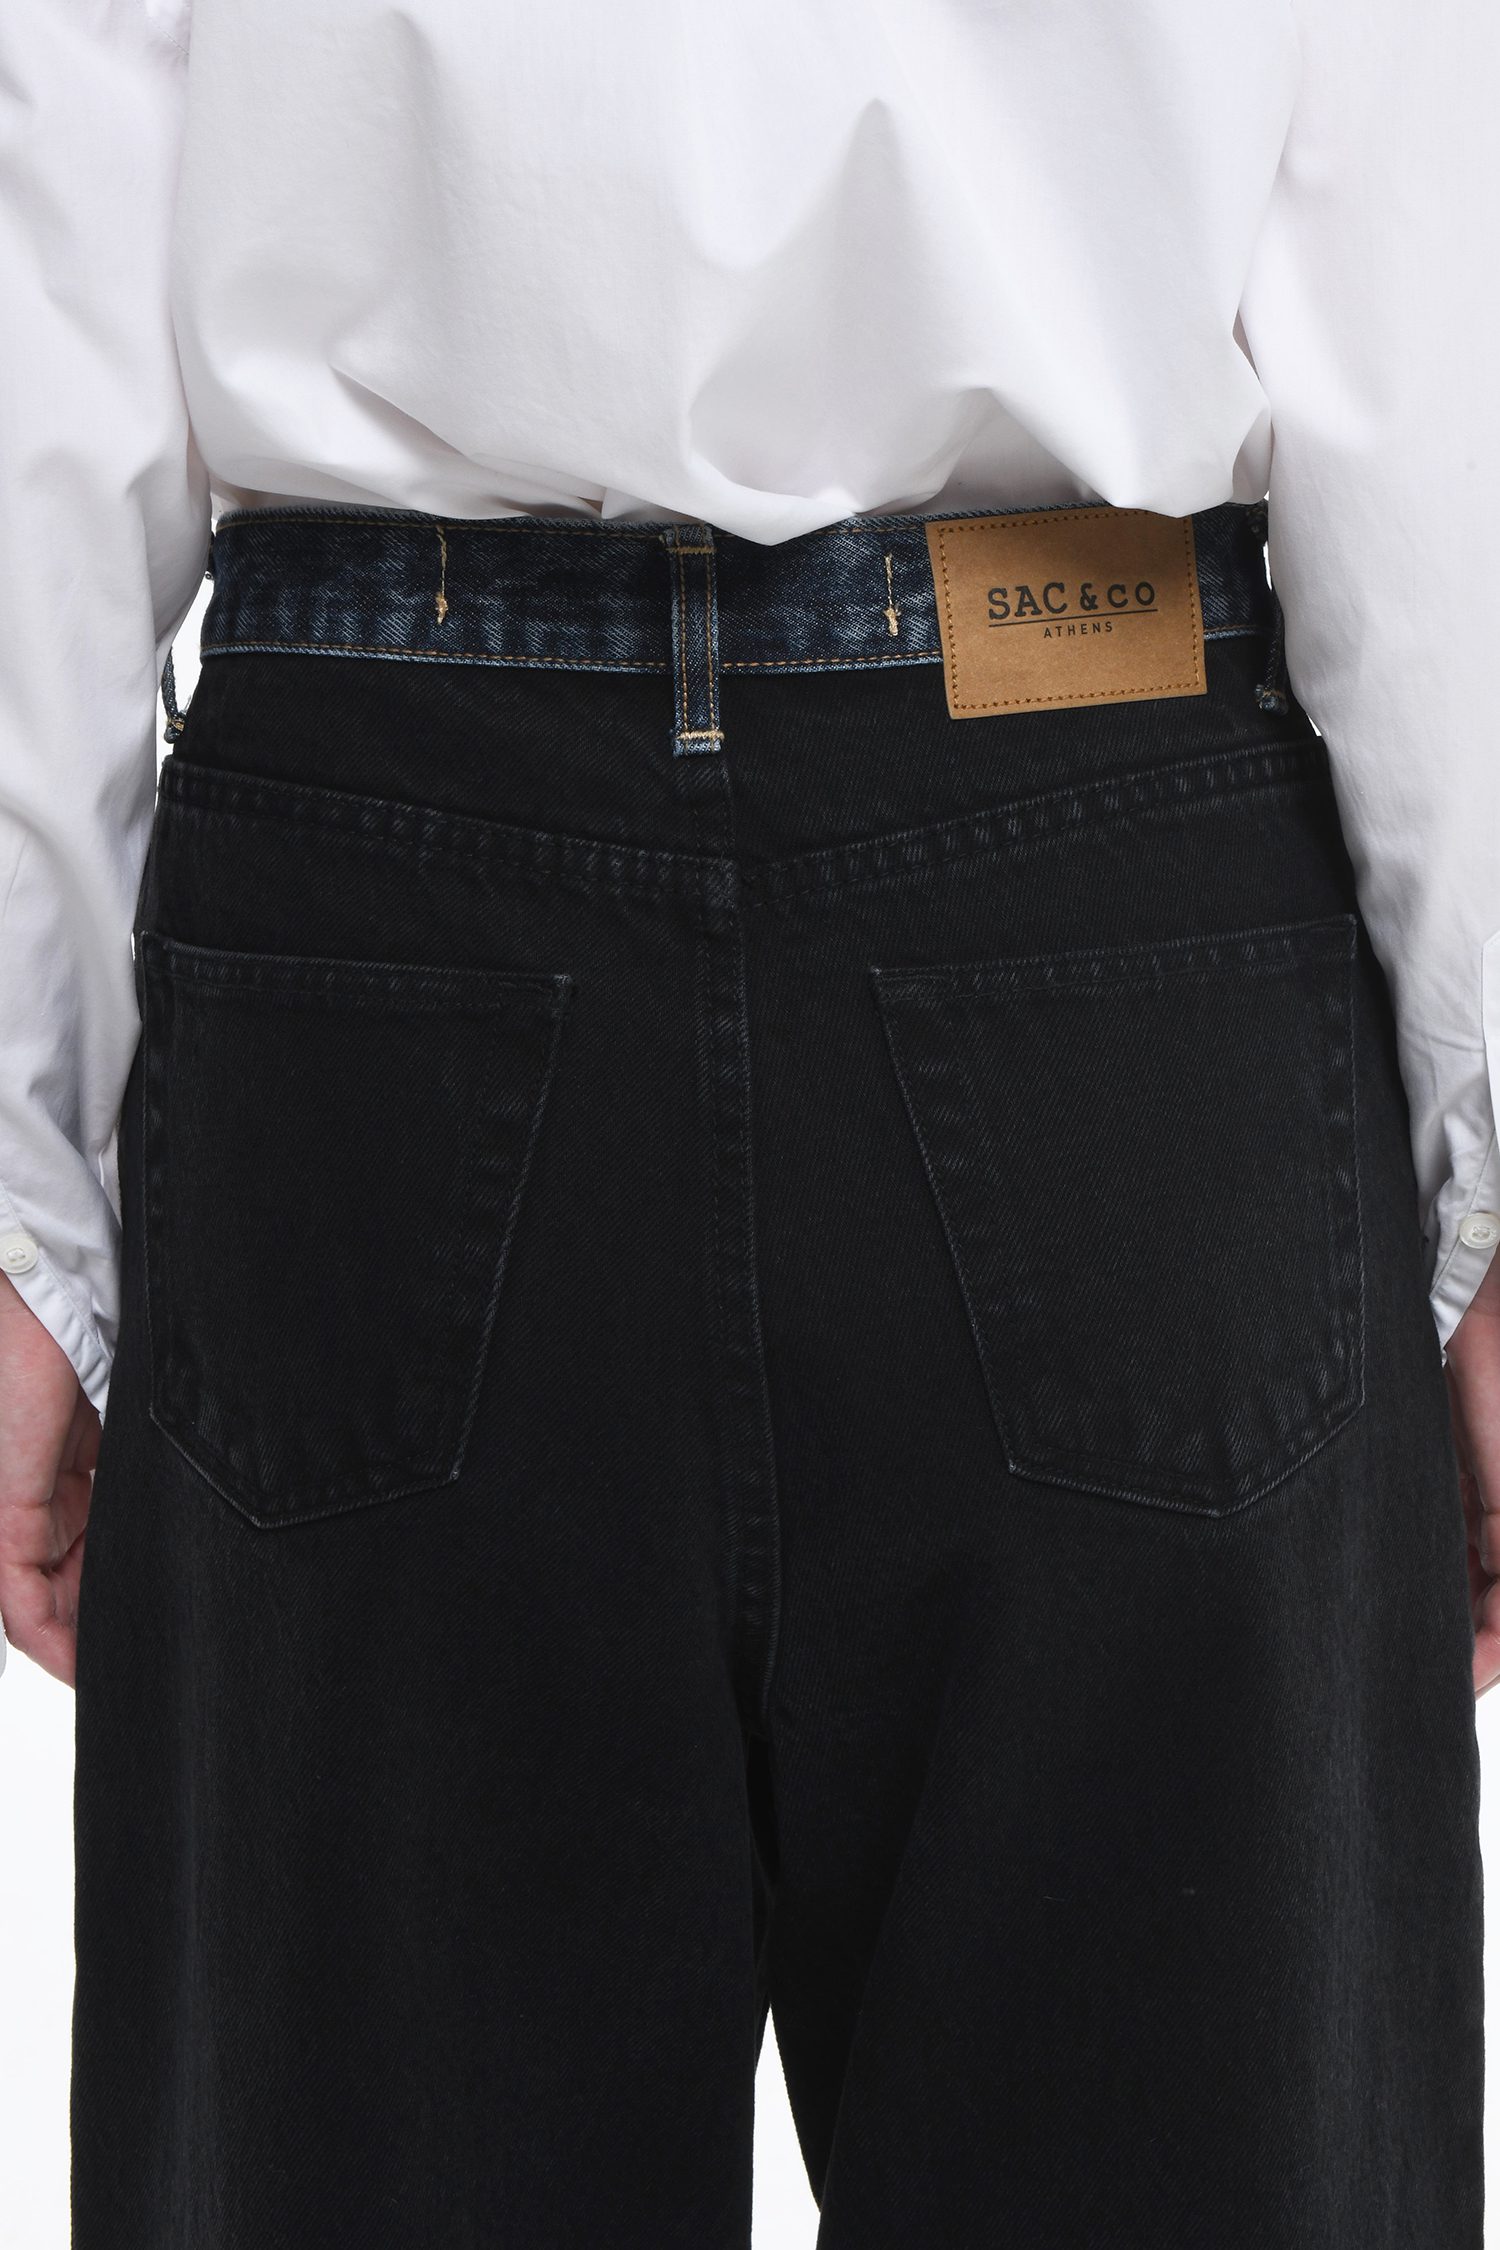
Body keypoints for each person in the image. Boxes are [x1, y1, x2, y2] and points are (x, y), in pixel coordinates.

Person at [1, 3, 1496, 2244]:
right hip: (1101, 869)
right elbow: (1419, 245)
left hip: (386, 908)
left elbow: (53, 232)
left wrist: (19, 1179)